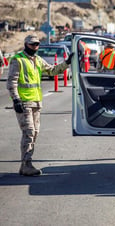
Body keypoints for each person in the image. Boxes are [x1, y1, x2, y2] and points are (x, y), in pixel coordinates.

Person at [7, 35, 73, 176]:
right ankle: (26, 164)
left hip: (36, 102)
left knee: (35, 133)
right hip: (24, 103)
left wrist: (67, 62)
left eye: (37, 44)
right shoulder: (17, 60)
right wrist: (16, 100)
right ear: (26, 44)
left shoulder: (37, 60)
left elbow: (52, 71)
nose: (35, 47)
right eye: (32, 44)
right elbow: (11, 82)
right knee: (29, 132)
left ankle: (25, 165)